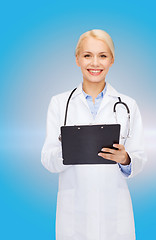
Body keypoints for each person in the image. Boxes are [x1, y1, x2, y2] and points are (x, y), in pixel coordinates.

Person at [41, 29, 147, 240]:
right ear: (77, 59)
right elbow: (47, 159)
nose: (95, 63)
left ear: (112, 60)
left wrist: (125, 159)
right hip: (74, 215)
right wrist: (69, 150)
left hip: (115, 214)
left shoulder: (128, 105)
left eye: (103, 56)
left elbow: (139, 156)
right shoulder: (60, 103)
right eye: (87, 55)